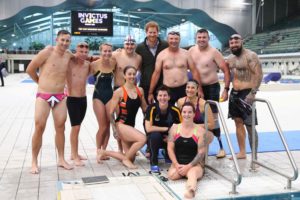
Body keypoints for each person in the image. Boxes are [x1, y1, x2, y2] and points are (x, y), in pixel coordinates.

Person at [26, 30, 74, 174]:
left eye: (67, 41)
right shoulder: (46, 52)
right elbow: (30, 69)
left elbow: (81, 60)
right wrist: (40, 83)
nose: (65, 43)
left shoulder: (68, 55)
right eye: (62, 40)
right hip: (44, 96)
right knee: (39, 127)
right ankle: (34, 161)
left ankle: (61, 159)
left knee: (61, 128)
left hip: (60, 96)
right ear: (56, 39)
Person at [188, 28, 231, 158]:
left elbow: (226, 70)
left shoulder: (214, 52)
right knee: (197, 116)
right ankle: (199, 146)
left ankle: (221, 147)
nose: (201, 40)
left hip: (212, 87)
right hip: (196, 88)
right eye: (199, 37)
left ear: (208, 38)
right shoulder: (191, 51)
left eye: (204, 37)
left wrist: (226, 89)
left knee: (214, 119)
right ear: (196, 38)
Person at [98, 66, 147, 169]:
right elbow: (111, 113)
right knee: (142, 139)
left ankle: (103, 151)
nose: (132, 76)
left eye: (134, 74)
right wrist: (115, 130)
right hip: (121, 125)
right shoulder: (119, 92)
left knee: (131, 158)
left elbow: (145, 109)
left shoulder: (140, 91)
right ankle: (125, 160)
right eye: (129, 74)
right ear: (124, 76)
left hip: (130, 126)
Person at [226, 34, 263, 159]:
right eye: (232, 43)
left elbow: (259, 74)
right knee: (237, 122)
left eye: (237, 42)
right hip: (234, 93)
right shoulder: (230, 58)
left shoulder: (250, 56)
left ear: (242, 42)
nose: (234, 45)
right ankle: (242, 152)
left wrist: (253, 92)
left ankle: (254, 156)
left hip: (247, 93)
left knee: (250, 125)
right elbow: (229, 75)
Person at [167, 102, 213, 199]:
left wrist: (188, 166)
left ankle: (191, 190)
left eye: (189, 112)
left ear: (193, 114)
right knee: (172, 176)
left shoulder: (200, 131)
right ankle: (184, 173)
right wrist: (176, 164)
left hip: (195, 165)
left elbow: (201, 153)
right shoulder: (174, 128)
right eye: (184, 112)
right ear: (181, 113)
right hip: (178, 164)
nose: (186, 115)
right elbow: (170, 148)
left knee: (192, 174)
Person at [148, 31, 202, 105]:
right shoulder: (161, 55)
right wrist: (150, 92)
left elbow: (194, 71)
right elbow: (156, 74)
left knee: (185, 113)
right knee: (169, 114)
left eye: (176, 39)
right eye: (171, 39)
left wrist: (199, 89)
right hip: (168, 89)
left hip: (184, 88)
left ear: (179, 40)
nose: (174, 41)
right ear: (167, 40)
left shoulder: (186, 54)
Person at [144, 85, 182, 172]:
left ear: (169, 97)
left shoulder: (175, 110)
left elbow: (181, 128)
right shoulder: (151, 108)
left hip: (170, 138)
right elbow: (148, 128)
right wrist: (167, 129)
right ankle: (154, 161)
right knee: (155, 135)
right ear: (157, 97)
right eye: (160, 95)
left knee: (179, 136)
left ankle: (168, 153)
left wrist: (171, 138)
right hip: (154, 138)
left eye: (165, 95)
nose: (162, 98)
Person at [66, 42, 91, 166]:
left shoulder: (87, 65)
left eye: (86, 52)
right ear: (76, 50)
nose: (83, 54)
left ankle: (73, 153)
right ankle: (75, 156)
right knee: (75, 128)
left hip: (83, 99)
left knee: (78, 127)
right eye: (81, 51)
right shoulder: (69, 62)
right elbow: (64, 53)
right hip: (72, 99)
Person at [90, 43, 116, 163]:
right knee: (102, 126)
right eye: (105, 51)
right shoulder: (94, 64)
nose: (107, 53)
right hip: (98, 97)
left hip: (110, 96)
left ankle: (104, 151)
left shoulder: (114, 62)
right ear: (100, 52)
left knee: (108, 126)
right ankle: (98, 151)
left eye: (109, 51)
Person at [136, 21, 168, 102]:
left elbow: (177, 49)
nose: (152, 34)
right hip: (145, 84)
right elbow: (135, 61)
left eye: (154, 32)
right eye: (150, 32)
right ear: (146, 33)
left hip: (162, 84)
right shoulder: (139, 47)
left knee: (161, 110)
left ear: (158, 33)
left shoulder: (165, 45)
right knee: (146, 111)